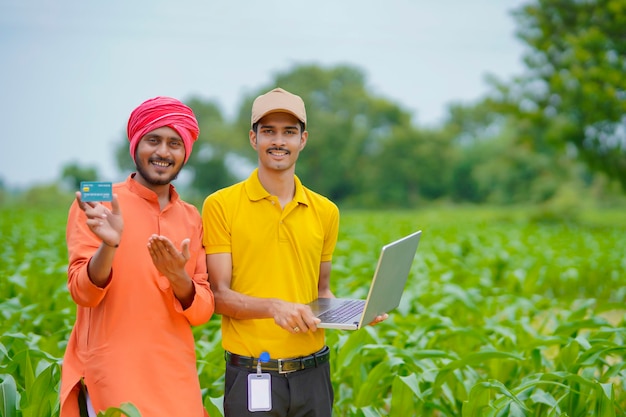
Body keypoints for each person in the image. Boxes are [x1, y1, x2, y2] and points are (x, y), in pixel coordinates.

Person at [202, 87, 387, 416]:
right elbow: (218, 295)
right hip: (252, 374)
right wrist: (274, 307)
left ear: (303, 139)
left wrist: (355, 312)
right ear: (253, 138)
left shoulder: (325, 210)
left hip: (313, 376)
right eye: (268, 131)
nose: (278, 141)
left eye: (289, 132)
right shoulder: (220, 206)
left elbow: (321, 290)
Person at [60, 96, 215, 417]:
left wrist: (178, 277)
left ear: (186, 152)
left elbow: (202, 312)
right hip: (112, 376)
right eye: (153, 140)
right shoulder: (98, 198)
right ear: (134, 144)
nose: (163, 152)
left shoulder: (191, 216)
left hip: (177, 379)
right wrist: (109, 246)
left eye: (175, 143)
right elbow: (82, 292)